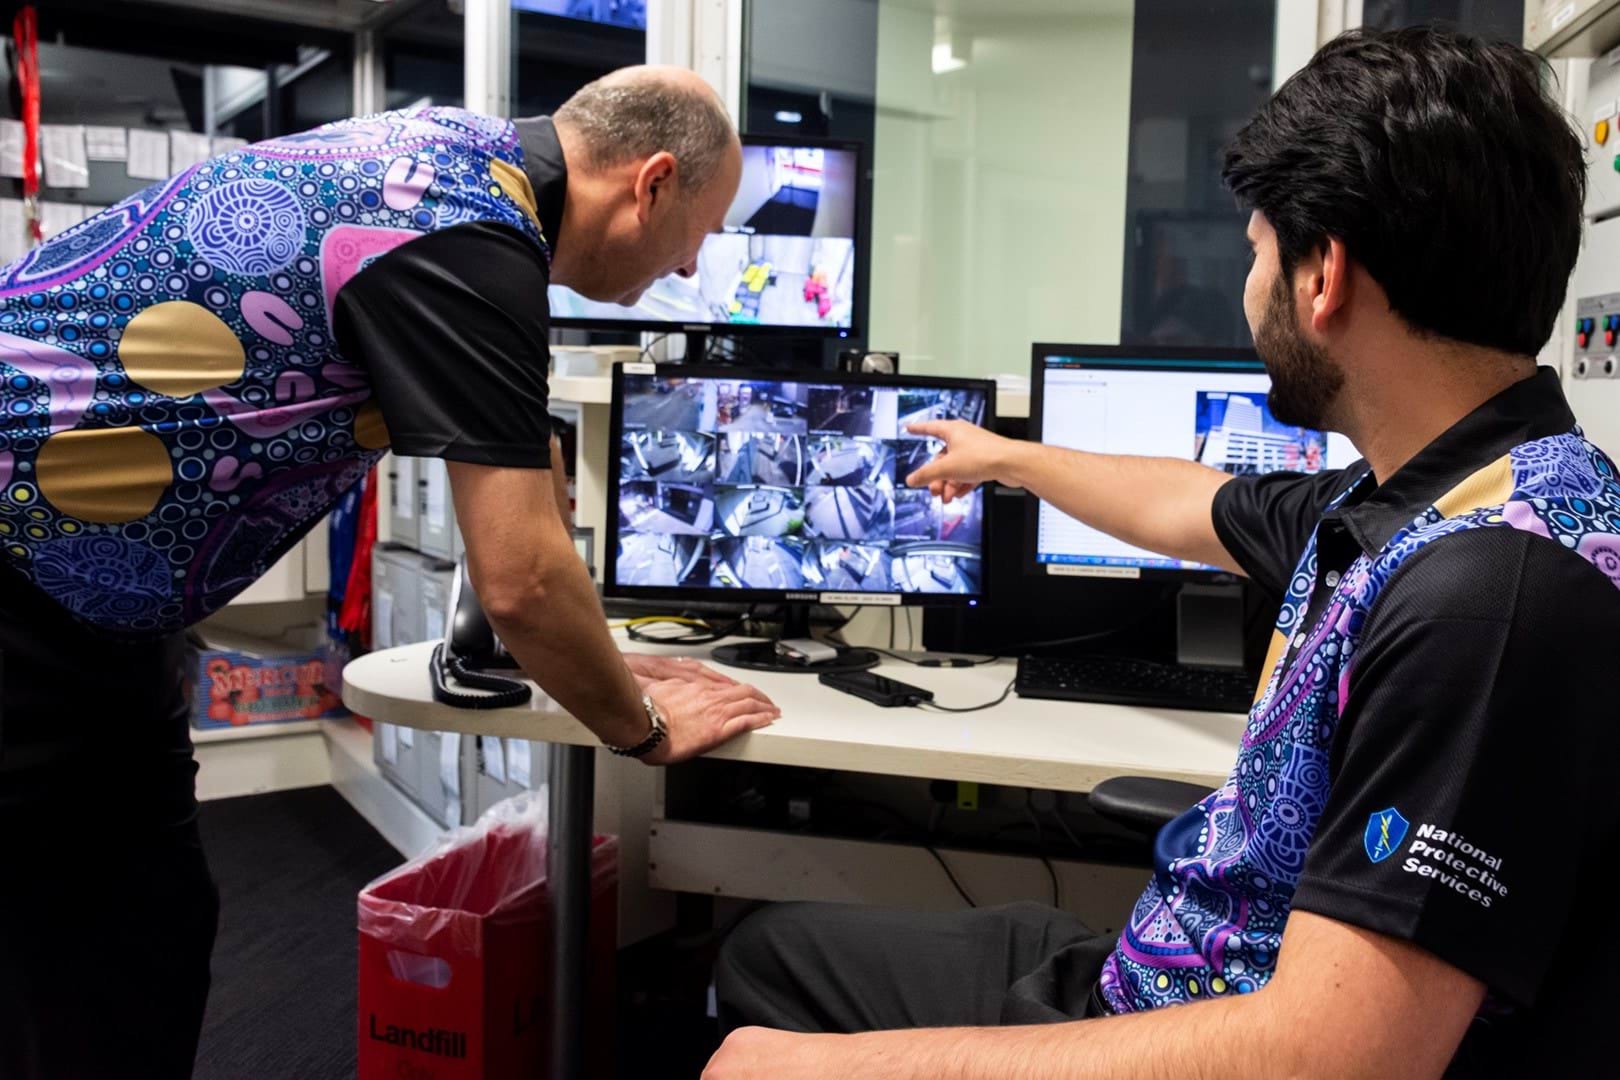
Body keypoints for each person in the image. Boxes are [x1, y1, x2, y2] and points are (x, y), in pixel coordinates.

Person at [707, 27, 1615, 1078]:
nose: (1247, 289)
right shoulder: (1444, 493)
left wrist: (824, 1071)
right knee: (772, 949)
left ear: (1324, 277)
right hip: (1168, 970)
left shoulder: (1485, 603)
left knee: (763, 1024)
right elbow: (1195, 504)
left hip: (1206, 1027)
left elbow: (1332, 1060)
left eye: (1257, 253)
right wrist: (1012, 459)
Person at [0, 66, 779, 1078]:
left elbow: (516, 480)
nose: (690, 268)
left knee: (136, 937)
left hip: (82, 602)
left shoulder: (448, 164)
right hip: (28, 598)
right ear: (654, 182)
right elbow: (522, 581)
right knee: (103, 975)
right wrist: (643, 728)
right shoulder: (470, 234)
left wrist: (612, 663)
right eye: (702, 233)